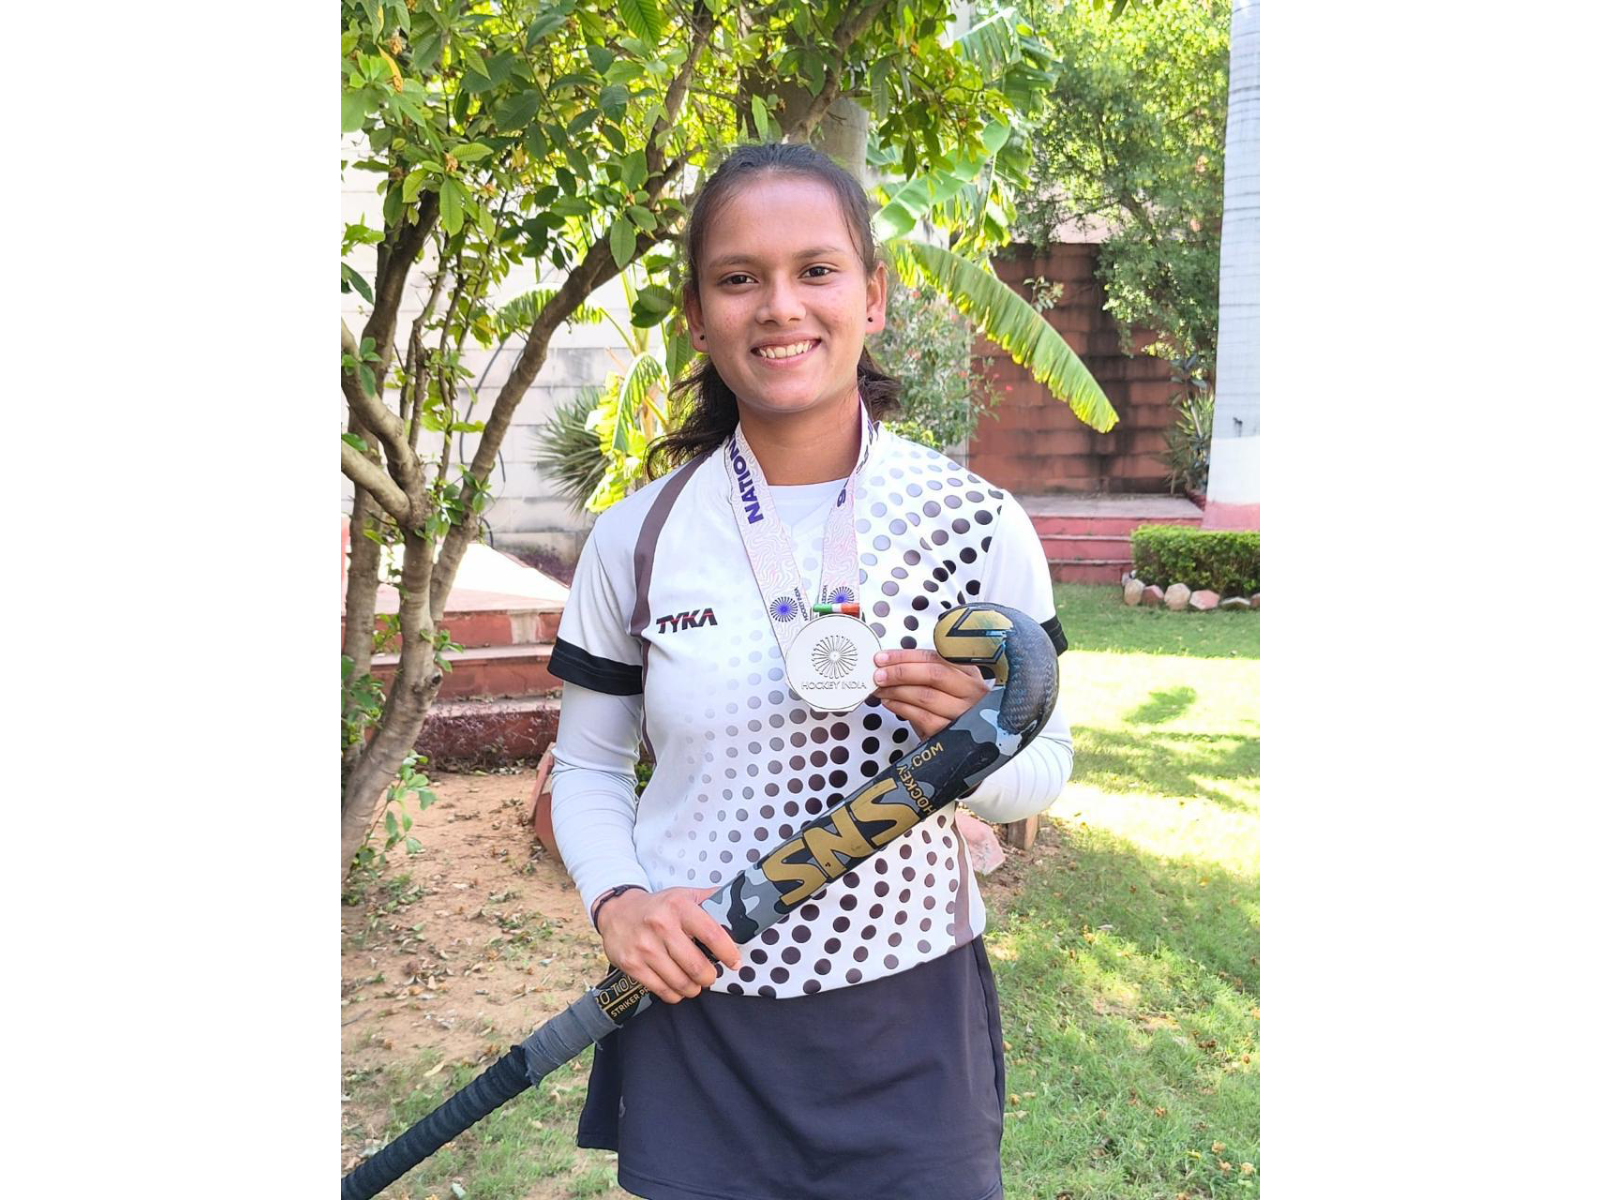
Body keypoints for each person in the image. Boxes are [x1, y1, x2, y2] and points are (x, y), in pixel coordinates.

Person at [547, 141, 1075, 1200]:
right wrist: (619, 904)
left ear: (873, 297)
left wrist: (970, 748)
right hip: (697, 1005)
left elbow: (1046, 763)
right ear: (697, 317)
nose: (779, 306)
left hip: (907, 1014)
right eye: (738, 278)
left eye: (816, 271)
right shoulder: (636, 537)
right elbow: (588, 770)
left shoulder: (974, 524)